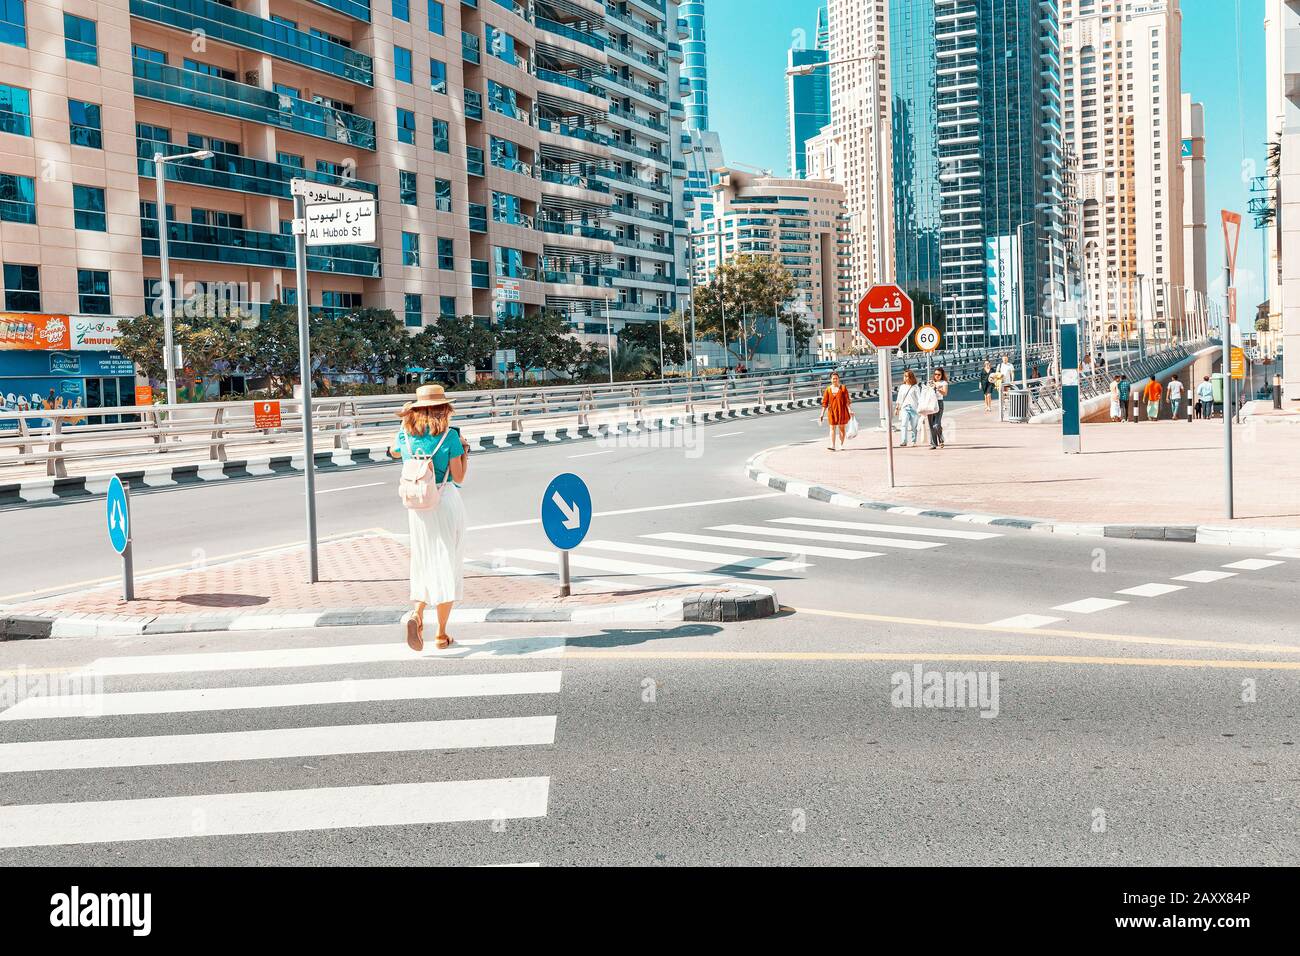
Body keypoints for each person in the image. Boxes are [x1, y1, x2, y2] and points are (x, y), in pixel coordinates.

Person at [388, 383, 470, 652]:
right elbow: (458, 478)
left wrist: (405, 417)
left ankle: (417, 615)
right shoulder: (450, 437)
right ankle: (441, 634)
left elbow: (394, 452)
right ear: (444, 408)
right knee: (447, 563)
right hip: (445, 501)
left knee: (422, 562)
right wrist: (465, 453)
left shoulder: (405, 434)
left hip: (419, 505)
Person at [819, 370, 852, 451]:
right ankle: (832, 445)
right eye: (833, 378)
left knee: (841, 428)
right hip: (832, 412)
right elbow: (824, 403)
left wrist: (850, 410)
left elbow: (847, 401)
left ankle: (841, 444)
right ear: (831, 379)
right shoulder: (828, 389)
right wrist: (822, 414)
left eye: (836, 378)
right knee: (832, 428)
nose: (835, 380)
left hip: (842, 411)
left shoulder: (843, 388)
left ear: (839, 379)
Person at [896, 369, 922, 447]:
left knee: (914, 426)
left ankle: (913, 441)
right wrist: (897, 408)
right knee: (904, 424)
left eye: (907, 376)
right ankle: (904, 441)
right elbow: (899, 398)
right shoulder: (902, 387)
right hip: (905, 408)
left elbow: (919, 399)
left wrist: (921, 409)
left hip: (914, 408)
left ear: (911, 377)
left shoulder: (915, 387)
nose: (905, 378)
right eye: (904, 376)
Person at [927, 367, 950, 450]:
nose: (937, 376)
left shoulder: (944, 383)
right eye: (935, 374)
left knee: (936, 424)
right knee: (931, 425)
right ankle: (933, 444)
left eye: (939, 374)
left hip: (939, 403)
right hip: (930, 403)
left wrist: (937, 388)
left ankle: (941, 438)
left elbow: (945, 393)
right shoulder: (931, 382)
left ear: (942, 375)